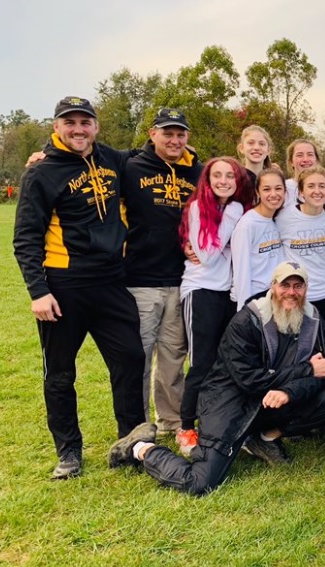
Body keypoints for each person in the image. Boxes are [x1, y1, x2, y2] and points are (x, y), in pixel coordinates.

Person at [109, 261, 325, 495]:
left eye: (298, 286)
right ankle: (140, 447)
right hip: (229, 403)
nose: (291, 293)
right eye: (285, 285)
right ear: (273, 286)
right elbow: (251, 381)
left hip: (271, 400)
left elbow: (324, 371)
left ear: (306, 289)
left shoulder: (314, 320)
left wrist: (289, 392)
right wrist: (304, 369)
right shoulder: (247, 320)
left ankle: (264, 438)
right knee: (200, 482)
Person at [13, 96, 144, 479]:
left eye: (85, 122)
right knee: (59, 373)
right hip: (64, 286)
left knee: (130, 359)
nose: (78, 129)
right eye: (69, 123)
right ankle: (69, 451)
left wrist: (180, 148)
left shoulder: (112, 159)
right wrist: (38, 291)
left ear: (96, 126)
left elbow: (143, 153)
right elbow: (25, 238)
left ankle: (131, 442)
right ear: (56, 127)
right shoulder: (41, 173)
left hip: (111, 283)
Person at [122, 107, 204, 436]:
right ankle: (140, 425)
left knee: (173, 358)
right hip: (140, 279)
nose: (174, 139)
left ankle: (171, 420)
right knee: (138, 358)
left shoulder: (196, 173)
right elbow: (93, 157)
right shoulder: (131, 167)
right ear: (153, 133)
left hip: (180, 278)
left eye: (180, 134)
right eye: (167, 133)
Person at [176, 157, 253, 456]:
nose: (223, 181)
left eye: (230, 176)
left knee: (225, 363)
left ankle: (216, 424)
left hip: (229, 294)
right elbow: (207, 257)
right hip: (201, 291)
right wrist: (233, 219)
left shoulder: (235, 209)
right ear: (207, 180)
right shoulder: (200, 208)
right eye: (217, 176)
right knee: (202, 363)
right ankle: (186, 427)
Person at [276, 165, 325, 341]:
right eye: (311, 186)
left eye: (322, 186)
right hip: (293, 295)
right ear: (301, 192)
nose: (317, 191)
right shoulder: (283, 217)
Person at [231, 167, 285, 309]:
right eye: (267, 189)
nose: (273, 194)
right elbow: (241, 272)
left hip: (279, 297)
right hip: (257, 299)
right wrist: (244, 310)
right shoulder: (247, 225)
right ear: (257, 192)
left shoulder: (279, 219)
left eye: (278, 188)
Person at [283, 138, 319, 206]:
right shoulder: (283, 188)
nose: (305, 159)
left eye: (310, 154)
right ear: (291, 162)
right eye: (299, 155)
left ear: (316, 160)